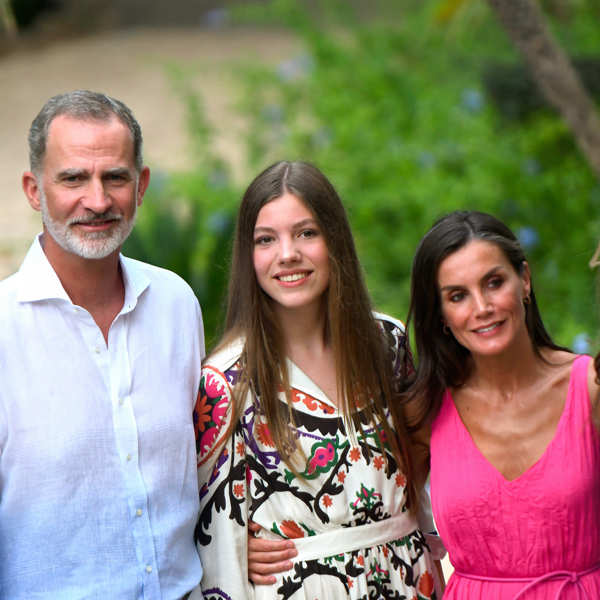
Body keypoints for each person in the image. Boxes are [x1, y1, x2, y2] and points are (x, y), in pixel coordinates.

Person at [192, 161, 444, 599]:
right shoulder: (225, 382)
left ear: (336, 241)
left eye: (306, 233)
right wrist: (237, 550)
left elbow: (424, 475)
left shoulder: (387, 343)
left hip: (409, 579)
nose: (287, 253)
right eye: (266, 240)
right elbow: (217, 550)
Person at [0, 90, 205, 598]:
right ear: (33, 189)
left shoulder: (176, 303)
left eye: (115, 176)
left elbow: (209, 462)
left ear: (142, 186)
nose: (97, 200)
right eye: (73, 178)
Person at [405, 210, 600, 598]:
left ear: (524, 280)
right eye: (458, 296)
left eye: (494, 283)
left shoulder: (591, 388)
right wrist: (253, 542)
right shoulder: (424, 410)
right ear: (441, 315)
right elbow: (372, 515)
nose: (482, 307)